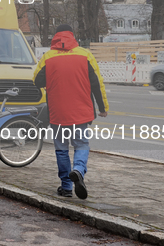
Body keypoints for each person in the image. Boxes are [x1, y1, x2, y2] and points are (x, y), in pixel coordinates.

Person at [33, 24, 108, 199]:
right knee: (81, 144)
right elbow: (97, 83)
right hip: (81, 110)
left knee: (61, 149)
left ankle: (66, 187)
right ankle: (79, 170)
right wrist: (103, 107)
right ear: (72, 36)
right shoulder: (85, 55)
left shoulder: (48, 57)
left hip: (57, 112)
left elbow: (36, 80)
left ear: (56, 37)